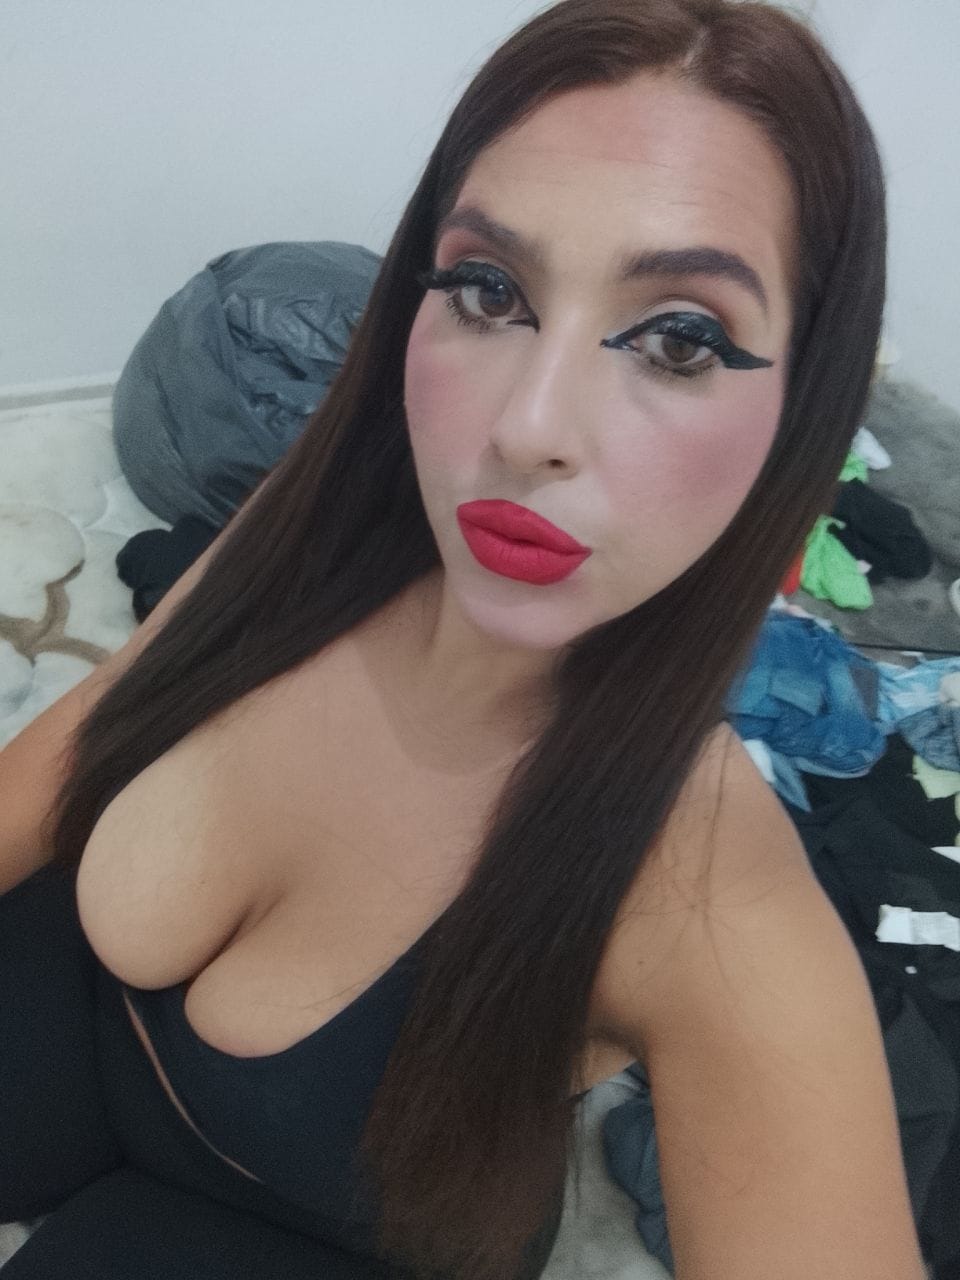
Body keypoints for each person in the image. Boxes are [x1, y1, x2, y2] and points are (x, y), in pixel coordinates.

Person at [0, 1, 929, 1277]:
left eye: (681, 338)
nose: (527, 426)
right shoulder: (315, 518)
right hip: (75, 1024)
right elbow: (61, 755)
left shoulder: (719, 906)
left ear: (803, 405)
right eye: (490, 290)